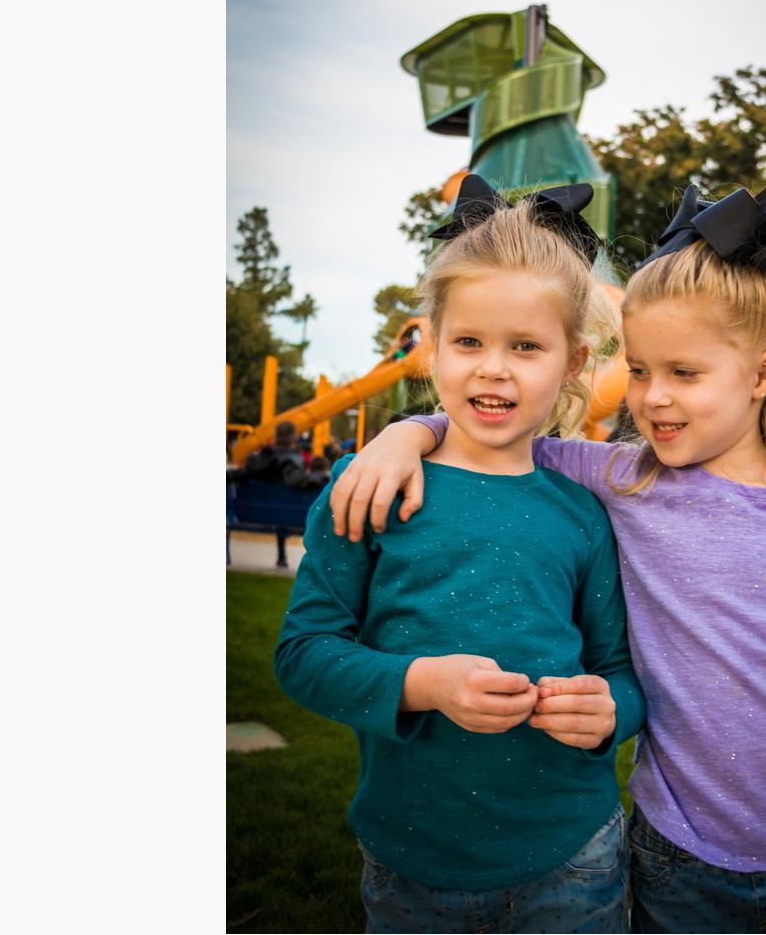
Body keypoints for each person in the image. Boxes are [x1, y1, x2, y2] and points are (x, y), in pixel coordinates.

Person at [334, 172, 766, 933]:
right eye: (642, 370)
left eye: (683, 374)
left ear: (764, 374)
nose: (651, 397)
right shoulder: (624, 478)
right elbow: (498, 432)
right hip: (672, 866)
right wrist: (406, 433)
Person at [273, 176, 644, 934]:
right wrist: (420, 683)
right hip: (414, 861)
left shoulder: (584, 513)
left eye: (526, 347)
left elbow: (620, 672)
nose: (493, 368)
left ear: (574, 361)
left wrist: (612, 712)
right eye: (468, 341)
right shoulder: (369, 486)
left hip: (573, 858)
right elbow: (303, 653)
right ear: (432, 345)